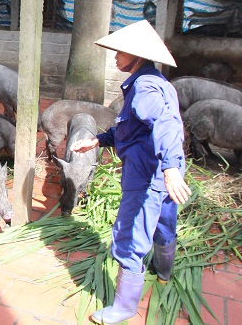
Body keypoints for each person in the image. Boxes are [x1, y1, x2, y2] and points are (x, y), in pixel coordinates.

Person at [70, 19, 192, 325]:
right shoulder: (155, 82)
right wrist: (98, 140)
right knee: (164, 225)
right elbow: (132, 130)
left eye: (120, 53)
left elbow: (166, 124)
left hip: (148, 175)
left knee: (130, 236)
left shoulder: (144, 87)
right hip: (161, 173)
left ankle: (123, 308)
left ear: (137, 57)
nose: (114, 58)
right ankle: (163, 272)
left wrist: (171, 167)